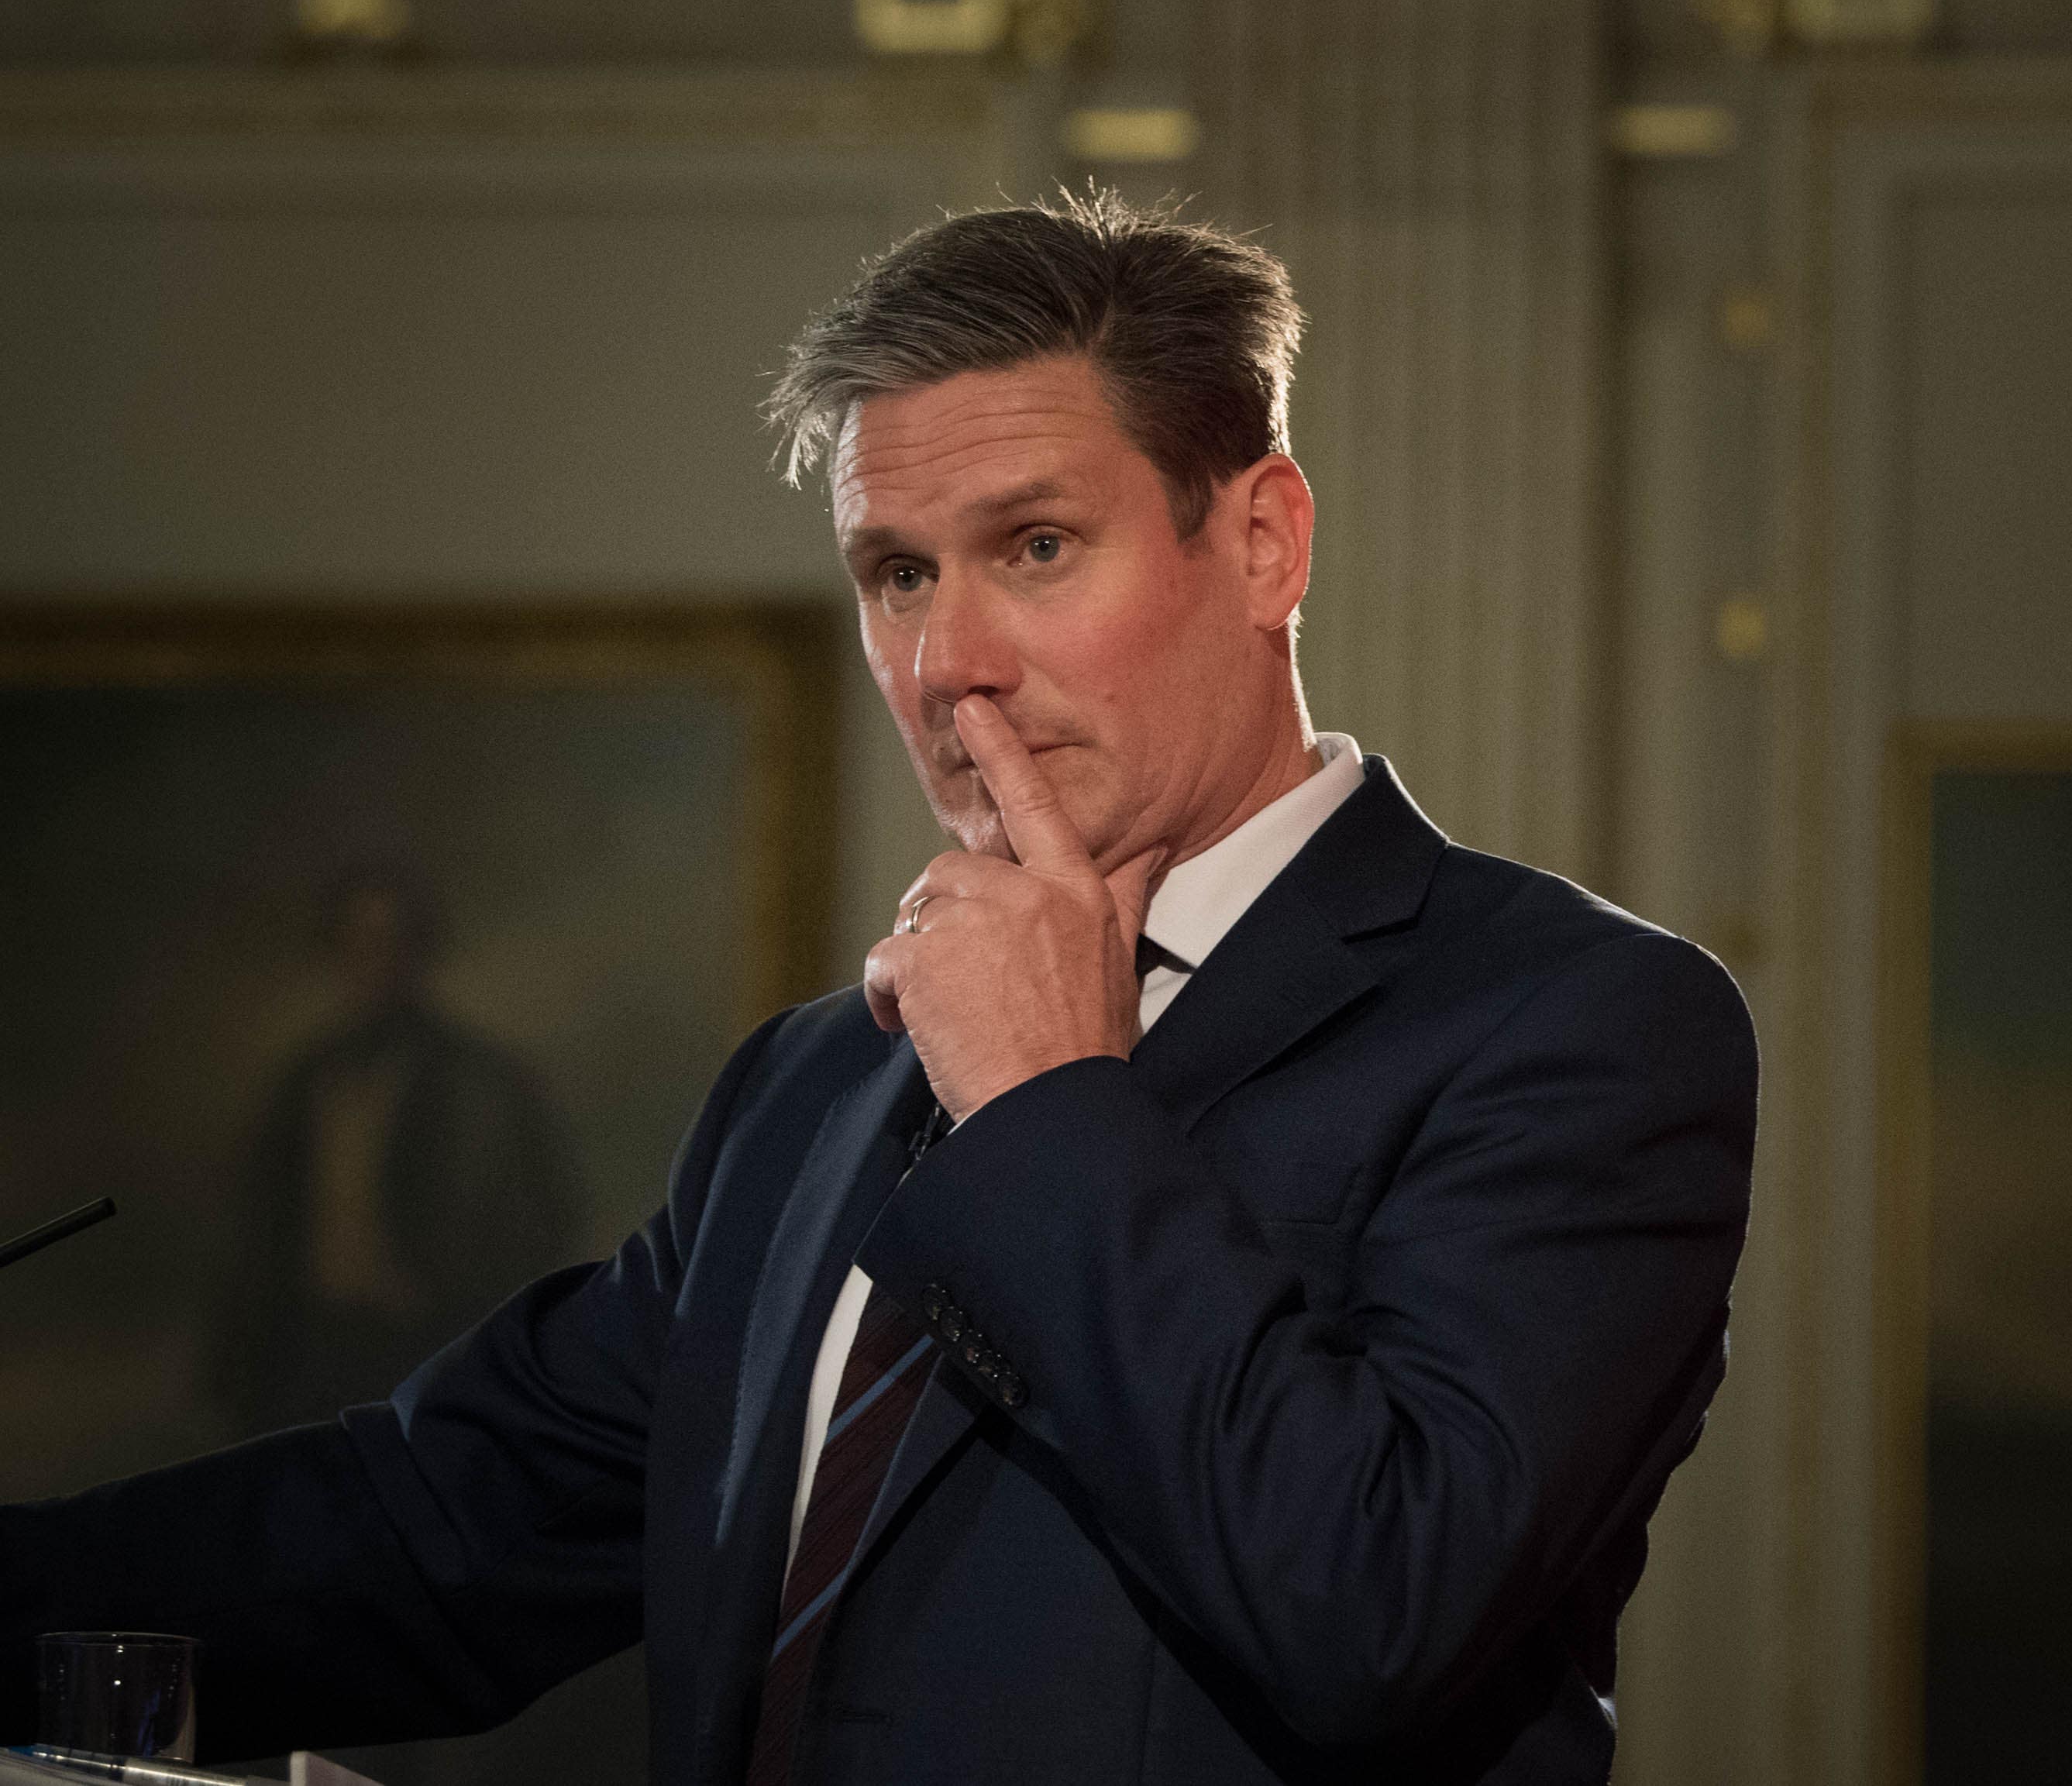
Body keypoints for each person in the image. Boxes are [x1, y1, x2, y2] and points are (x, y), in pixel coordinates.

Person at [3, 192, 1761, 1786]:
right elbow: (438, 1524)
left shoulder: (1575, 1026)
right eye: (897, 572)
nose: (946, 659)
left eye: (1034, 547)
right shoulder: (814, 1080)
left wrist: (1048, 1102)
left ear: (1263, 542)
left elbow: (1369, 1608)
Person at [204, 865, 583, 1439]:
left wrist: (450, 1294)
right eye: (359, 945)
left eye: (393, 943)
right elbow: (261, 1226)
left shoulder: (480, 1081)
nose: (376, 962)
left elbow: (543, 1215)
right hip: (312, 1349)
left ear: (421, 951)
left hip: (426, 1346)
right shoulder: (308, 1077)